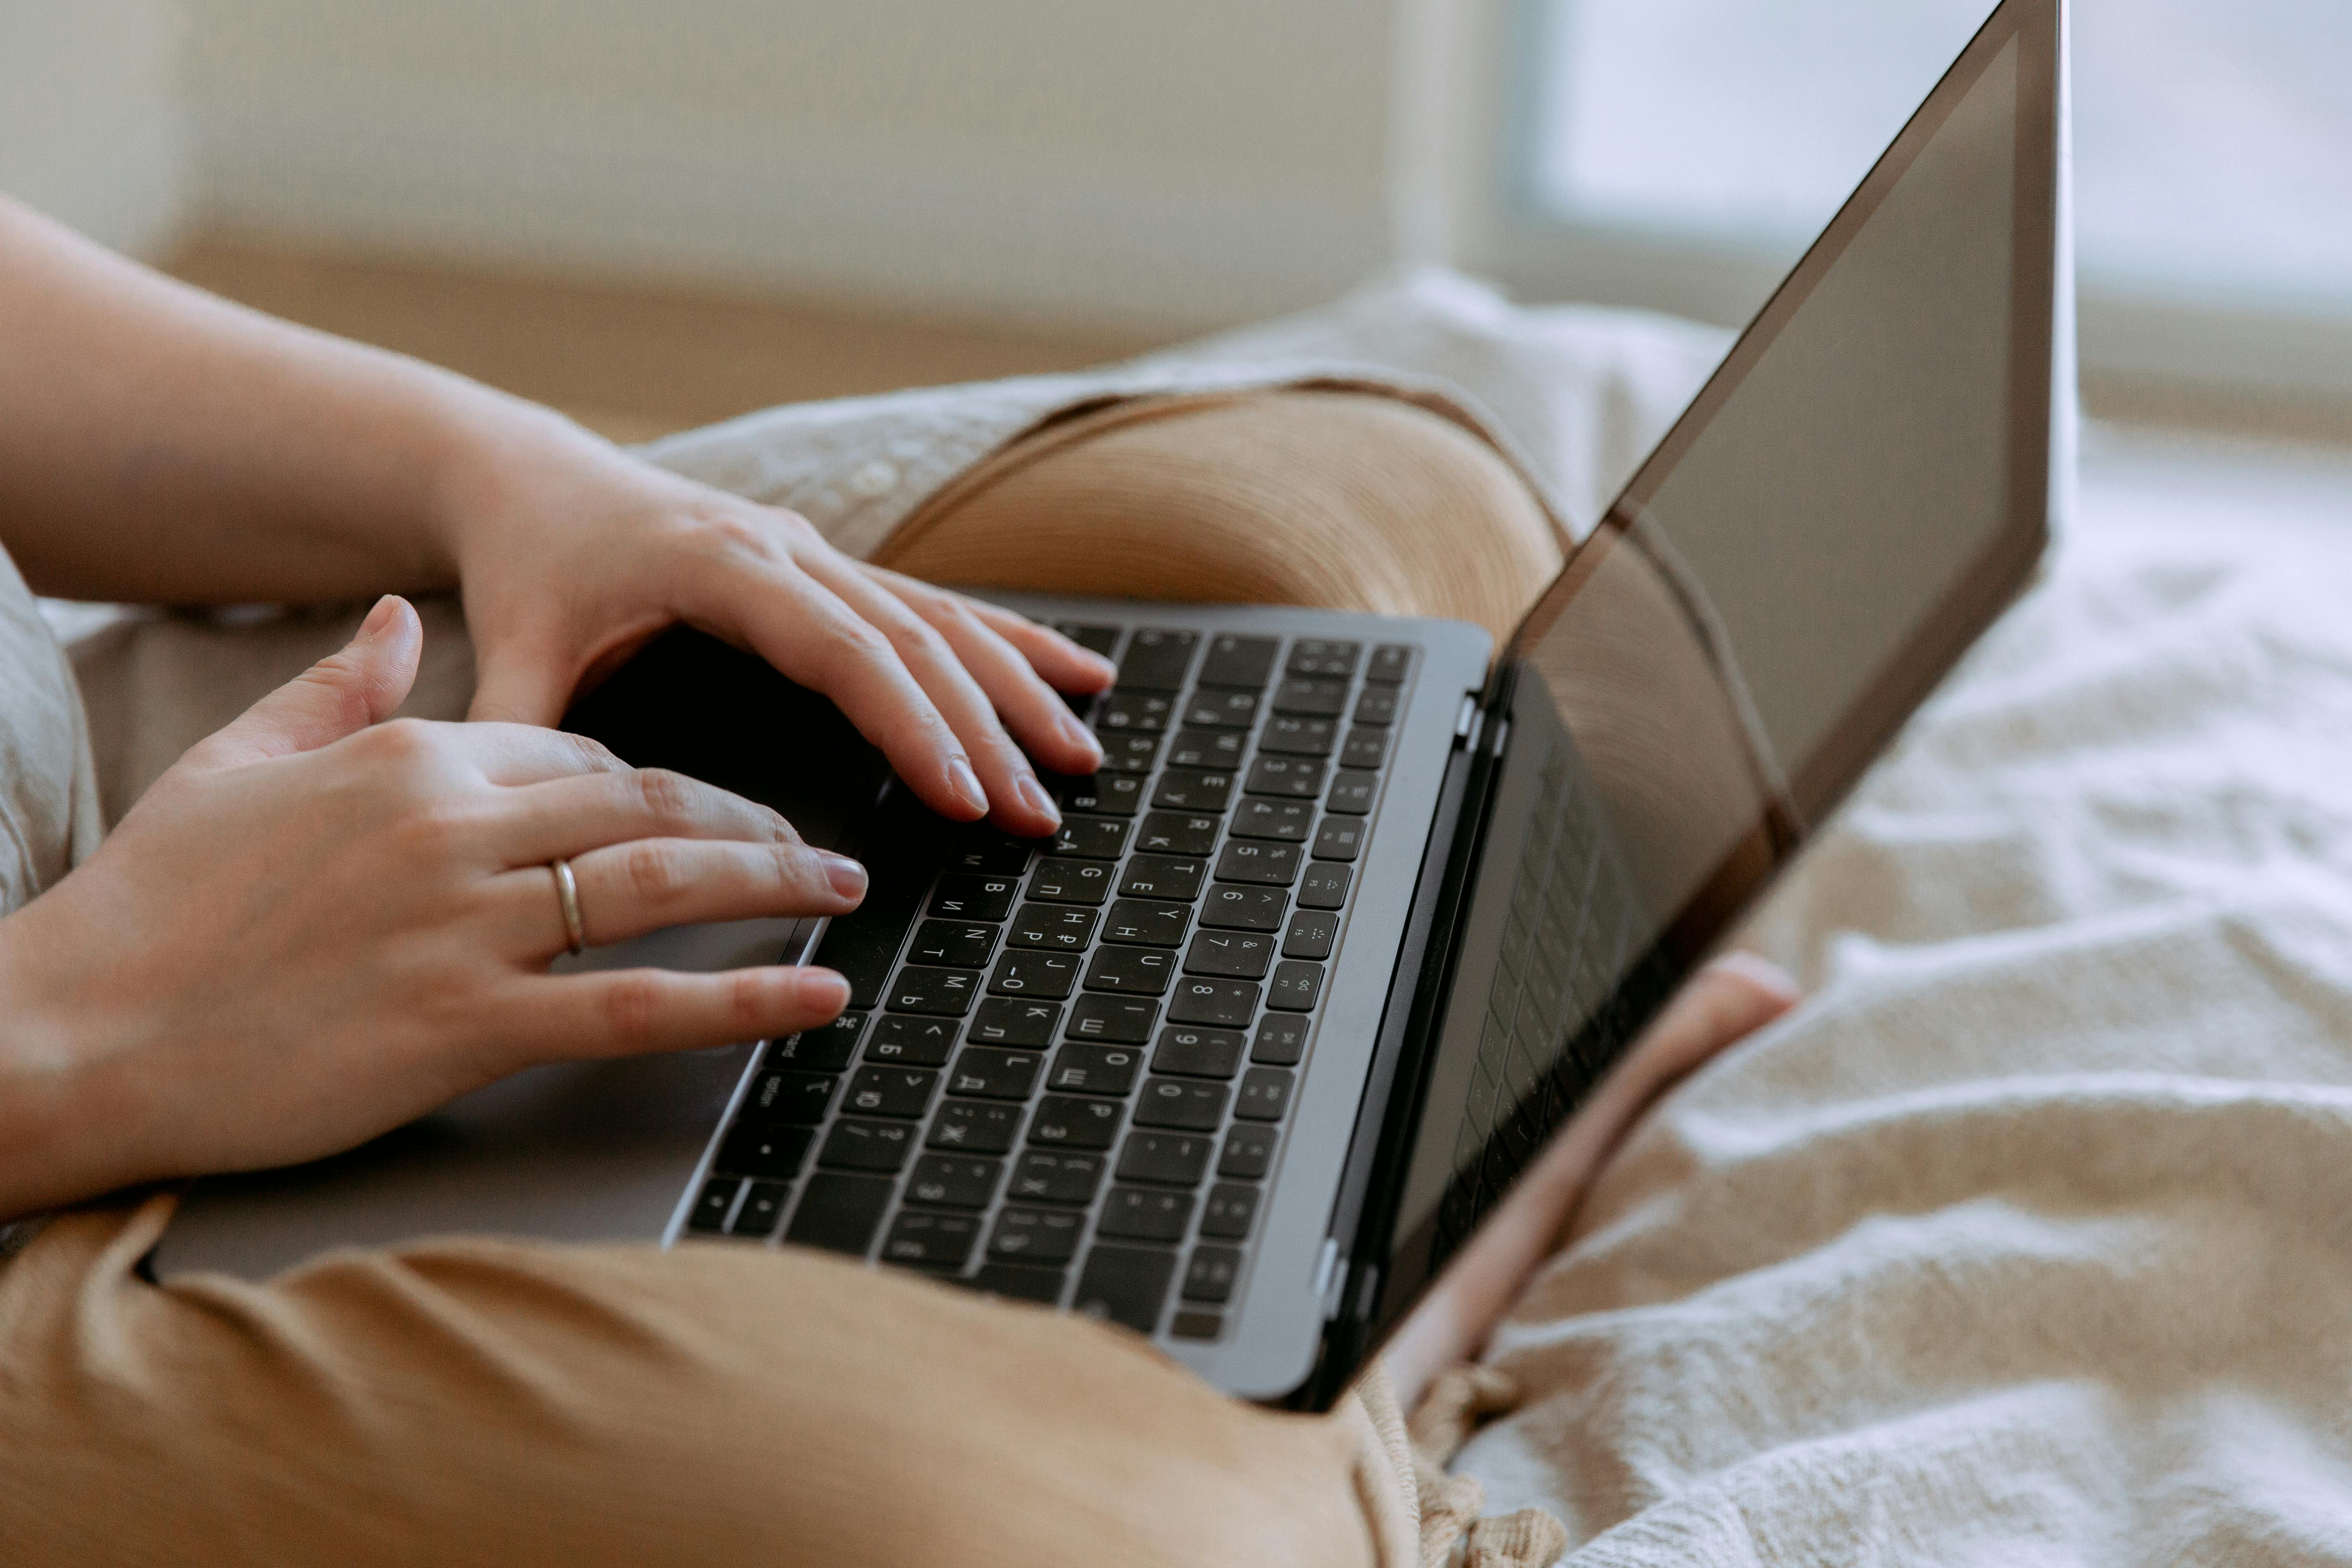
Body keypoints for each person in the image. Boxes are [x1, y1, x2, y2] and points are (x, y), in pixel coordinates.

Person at [0, 193, 1796, 1565]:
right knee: (1031, 1533)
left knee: (1364, 522)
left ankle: (1291, 1260)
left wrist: (516, 478)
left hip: (79, 801)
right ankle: (1390, 1312)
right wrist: (90, 1028)